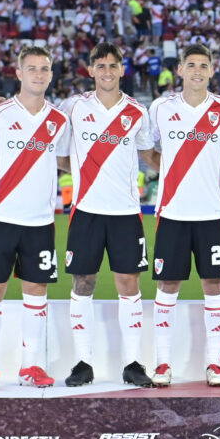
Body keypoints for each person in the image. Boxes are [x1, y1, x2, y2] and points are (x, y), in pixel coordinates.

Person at [56, 42, 160, 389]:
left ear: (122, 70)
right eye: (100, 66)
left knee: (129, 285)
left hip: (126, 213)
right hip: (85, 211)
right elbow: (54, 147)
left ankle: (132, 363)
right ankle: (83, 363)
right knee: (82, 283)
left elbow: (149, 155)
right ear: (91, 70)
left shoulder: (137, 112)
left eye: (112, 65)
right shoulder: (73, 107)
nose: (106, 72)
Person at [0, 46, 71, 391]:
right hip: (0, 218)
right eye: (32, 68)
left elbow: (69, 160)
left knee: (36, 292)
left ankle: (31, 366)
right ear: (19, 73)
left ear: (51, 74)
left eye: (44, 68)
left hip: (40, 222)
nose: (38, 74)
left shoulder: (59, 120)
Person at [147, 43, 220, 387]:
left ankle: (214, 363)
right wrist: (168, 169)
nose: (198, 71)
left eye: (204, 65)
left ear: (212, 70)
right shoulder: (160, 108)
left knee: (213, 284)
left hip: (212, 213)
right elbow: (146, 146)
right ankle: (162, 363)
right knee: (167, 284)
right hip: (172, 212)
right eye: (192, 65)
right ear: (180, 70)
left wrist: (212, 166)